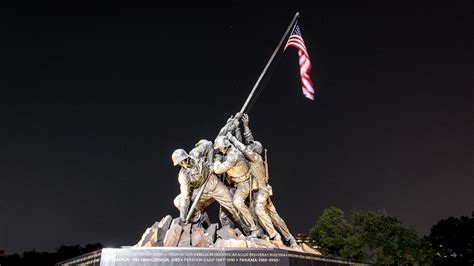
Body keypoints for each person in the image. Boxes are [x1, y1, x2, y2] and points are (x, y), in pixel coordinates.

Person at [229, 114, 298, 247]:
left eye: (251, 146)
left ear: (254, 150)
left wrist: (231, 137)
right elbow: (245, 144)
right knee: (273, 215)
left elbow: (242, 147)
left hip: (262, 190)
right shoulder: (250, 156)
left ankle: (275, 235)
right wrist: (242, 127)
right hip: (256, 191)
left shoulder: (256, 158)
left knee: (260, 210)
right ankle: (289, 238)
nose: (249, 145)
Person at [171, 145, 242, 228]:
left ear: (187, 156)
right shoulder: (183, 176)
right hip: (201, 192)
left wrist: (211, 163)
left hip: (214, 183)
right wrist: (183, 217)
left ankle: (249, 229)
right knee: (178, 201)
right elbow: (186, 196)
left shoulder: (196, 153)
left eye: (184, 160)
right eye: (180, 162)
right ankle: (201, 222)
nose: (184, 163)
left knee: (233, 207)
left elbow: (209, 145)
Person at [213, 136, 259, 238]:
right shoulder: (228, 153)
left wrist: (217, 160)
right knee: (224, 208)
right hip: (235, 184)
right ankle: (230, 233)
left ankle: (254, 229)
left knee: (237, 202)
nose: (219, 150)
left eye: (220, 148)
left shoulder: (233, 155)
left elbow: (218, 170)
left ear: (225, 147)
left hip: (245, 182)